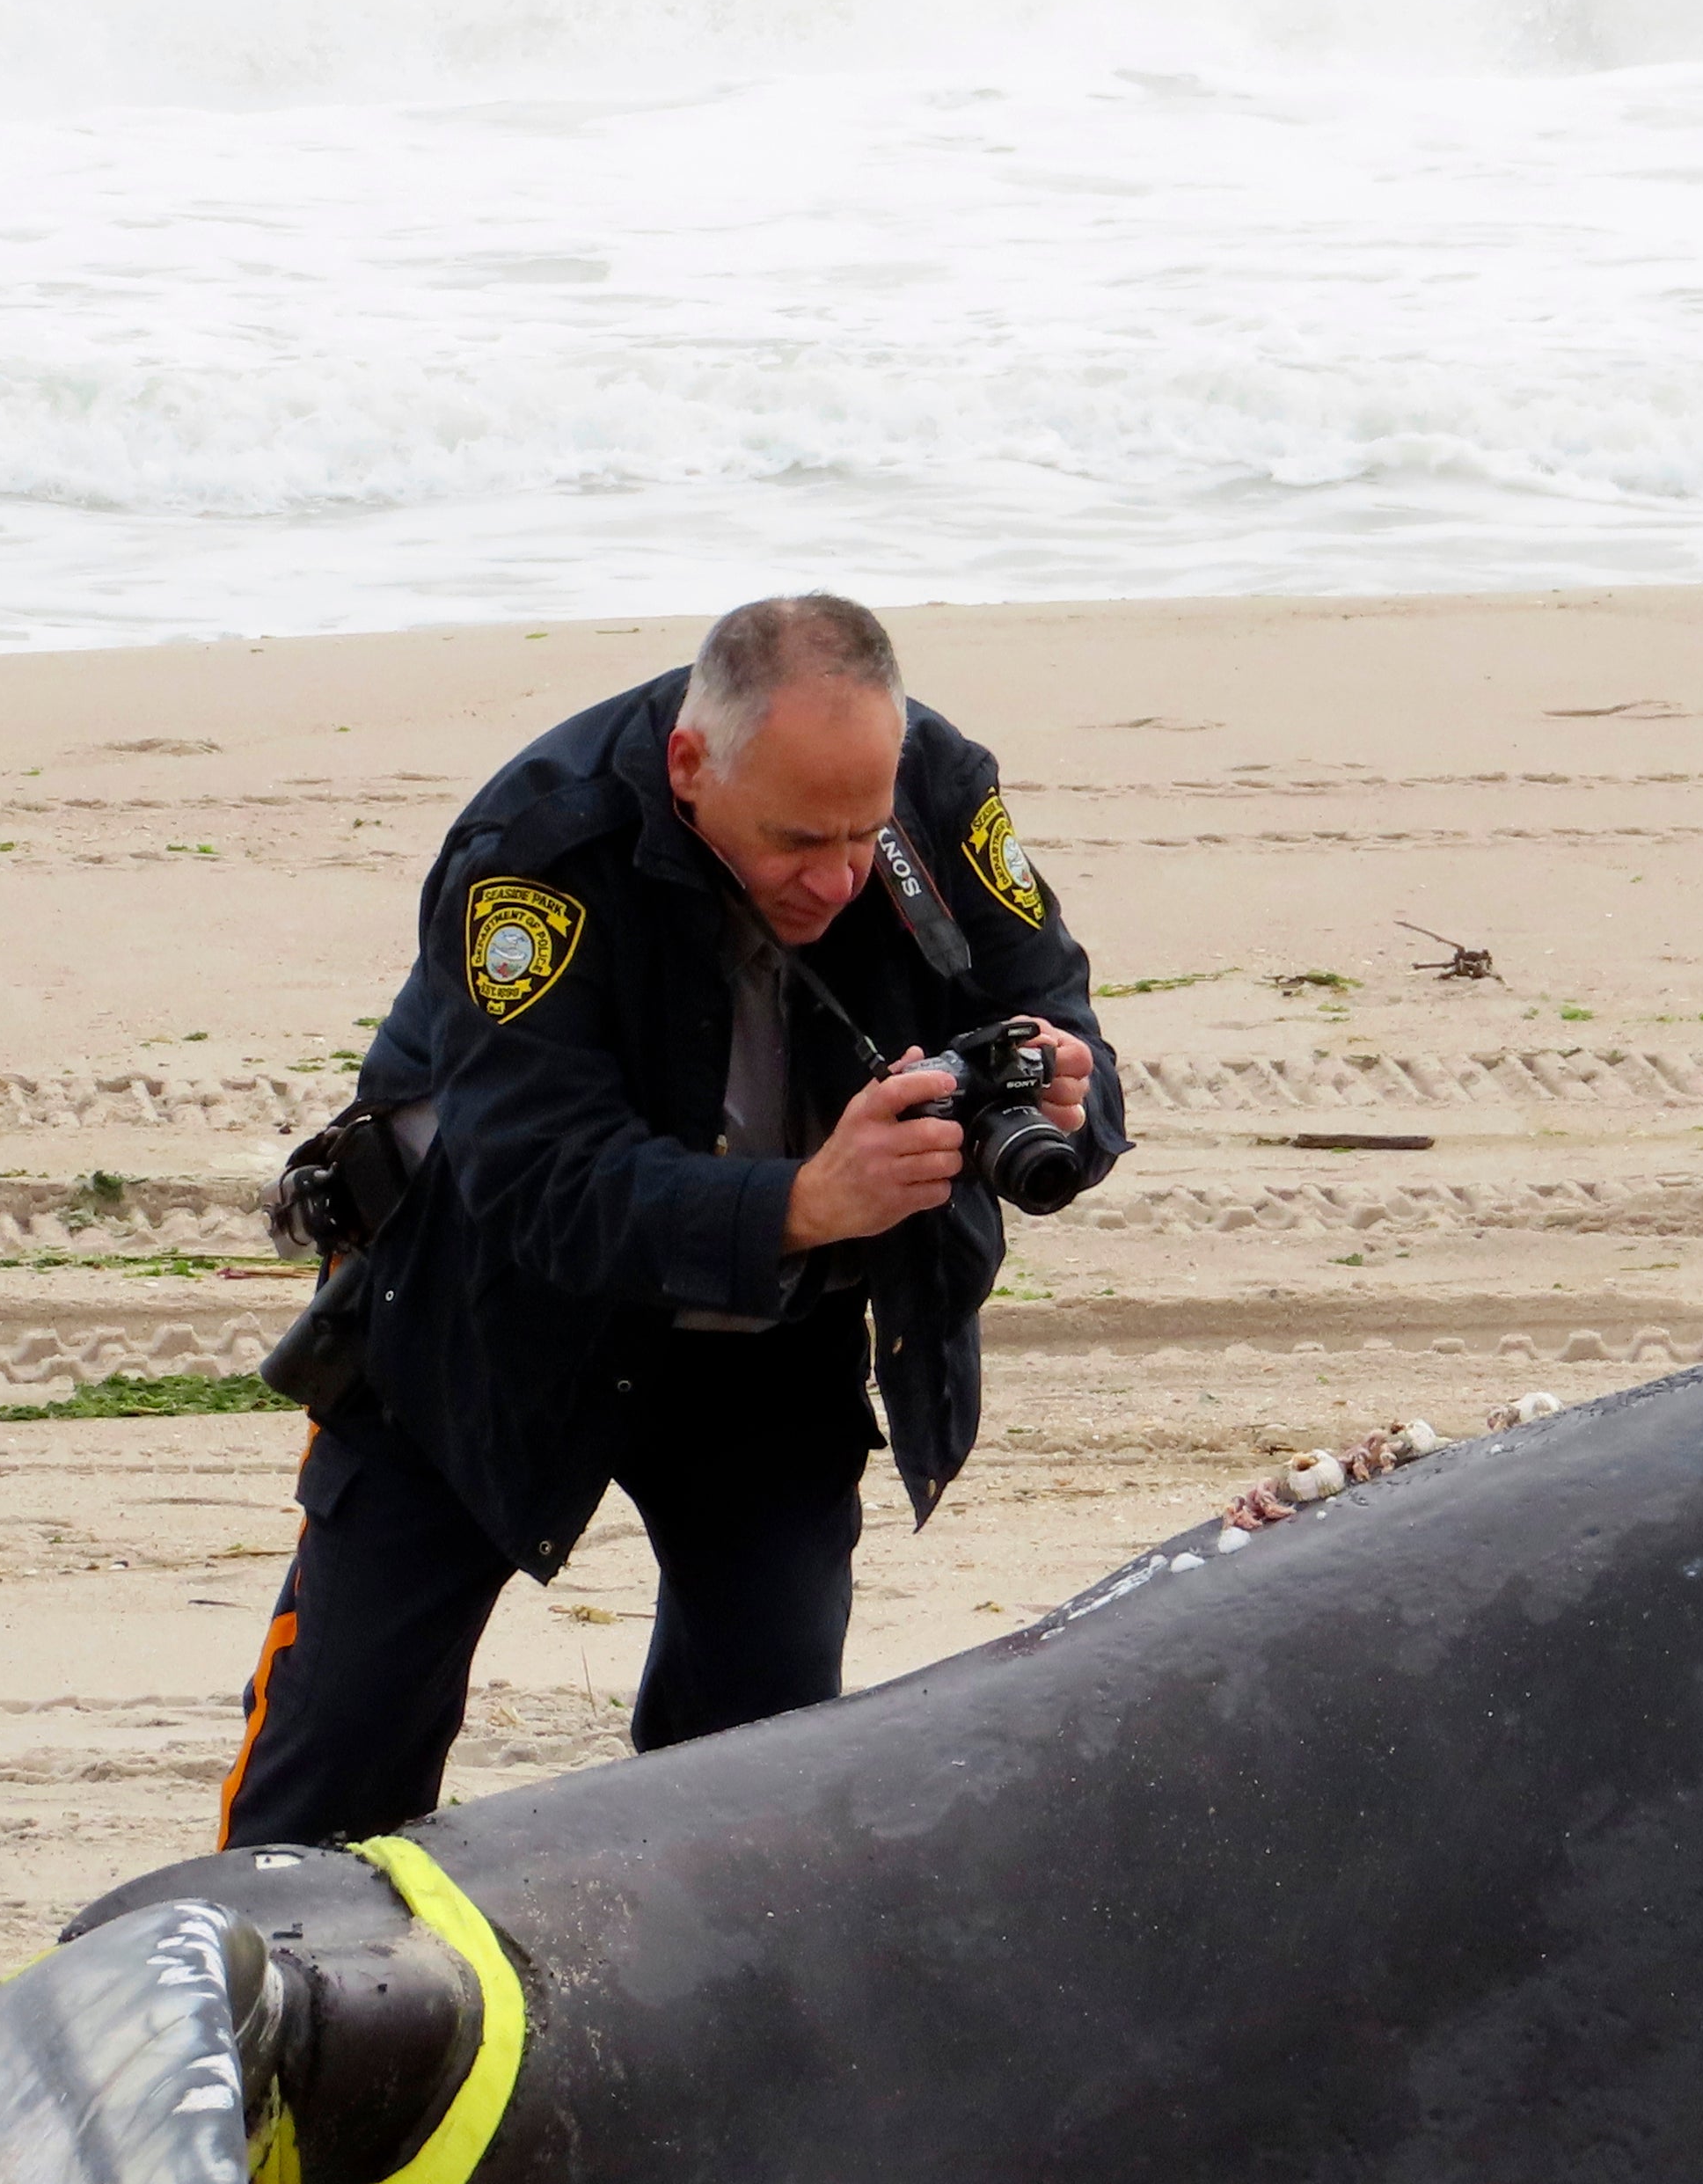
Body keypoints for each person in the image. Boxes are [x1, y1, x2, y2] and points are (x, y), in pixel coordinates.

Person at [217, 594, 1128, 1848]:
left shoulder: (935, 788)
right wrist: (805, 1199)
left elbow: (1061, 1019)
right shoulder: (536, 847)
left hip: (771, 1329)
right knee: (342, 1750)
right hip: (482, 1312)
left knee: (757, 1758)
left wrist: (1063, 1101)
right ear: (690, 768)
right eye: (798, 840)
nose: (838, 876)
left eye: (863, 835)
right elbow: (536, 1178)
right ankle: (246, 1992)